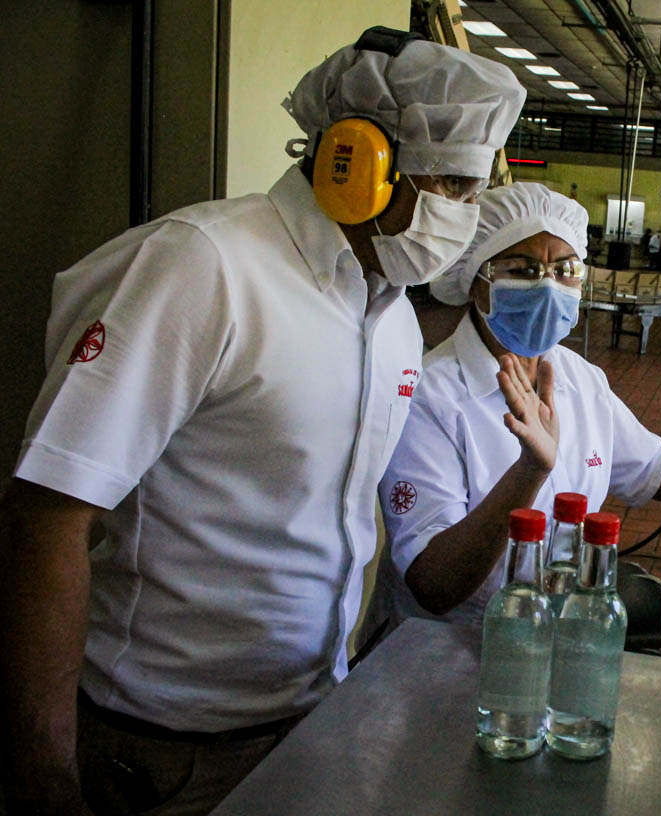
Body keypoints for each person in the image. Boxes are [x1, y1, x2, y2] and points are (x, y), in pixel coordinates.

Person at [0, 27, 524, 816]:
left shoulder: (392, 321)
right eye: (450, 184)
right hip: (162, 751)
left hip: (311, 720)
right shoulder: (205, 268)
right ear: (356, 159)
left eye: (474, 189)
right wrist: (45, 776)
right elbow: (45, 518)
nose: (465, 213)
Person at [364, 182, 661, 627]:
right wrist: (530, 471)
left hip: (549, 631)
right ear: (474, 281)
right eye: (523, 269)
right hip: (448, 648)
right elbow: (433, 585)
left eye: (565, 269)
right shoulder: (430, 397)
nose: (548, 286)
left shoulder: (578, 378)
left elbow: (657, 467)